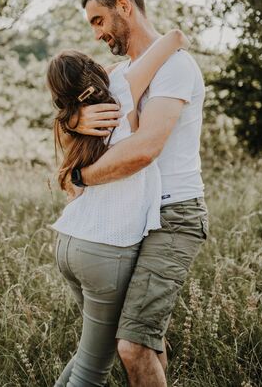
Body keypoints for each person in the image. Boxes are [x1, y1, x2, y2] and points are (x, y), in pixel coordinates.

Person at [69, 0, 209, 387]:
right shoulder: (123, 72)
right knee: (145, 339)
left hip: (174, 214)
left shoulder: (176, 68)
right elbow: (68, 117)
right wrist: (74, 119)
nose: (96, 34)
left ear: (124, 7)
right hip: (134, 214)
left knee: (133, 345)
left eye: (98, 20)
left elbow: (146, 148)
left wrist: (83, 177)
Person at [47, 29, 190, 386]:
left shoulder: (71, 121)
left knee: (89, 354)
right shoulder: (123, 92)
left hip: (68, 242)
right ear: (96, 71)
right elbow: (171, 39)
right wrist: (172, 40)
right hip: (104, 250)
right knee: (93, 370)